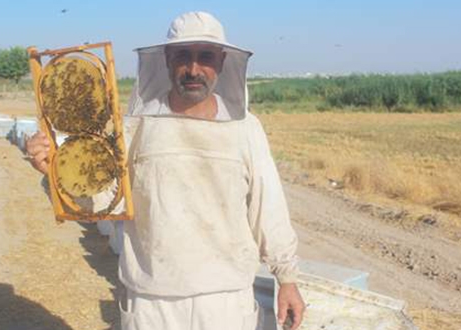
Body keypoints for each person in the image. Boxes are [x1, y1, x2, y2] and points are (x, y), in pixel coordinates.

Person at [26, 11, 305, 330]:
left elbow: (268, 208)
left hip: (225, 301)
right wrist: (55, 171)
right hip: (151, 300)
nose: (193, 69)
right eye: (183, 56)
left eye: (206, 57)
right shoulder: (135, 128)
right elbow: (103, 199)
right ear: (167, 60)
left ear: (223, 62)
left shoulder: (246, 129)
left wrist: (287, 278)